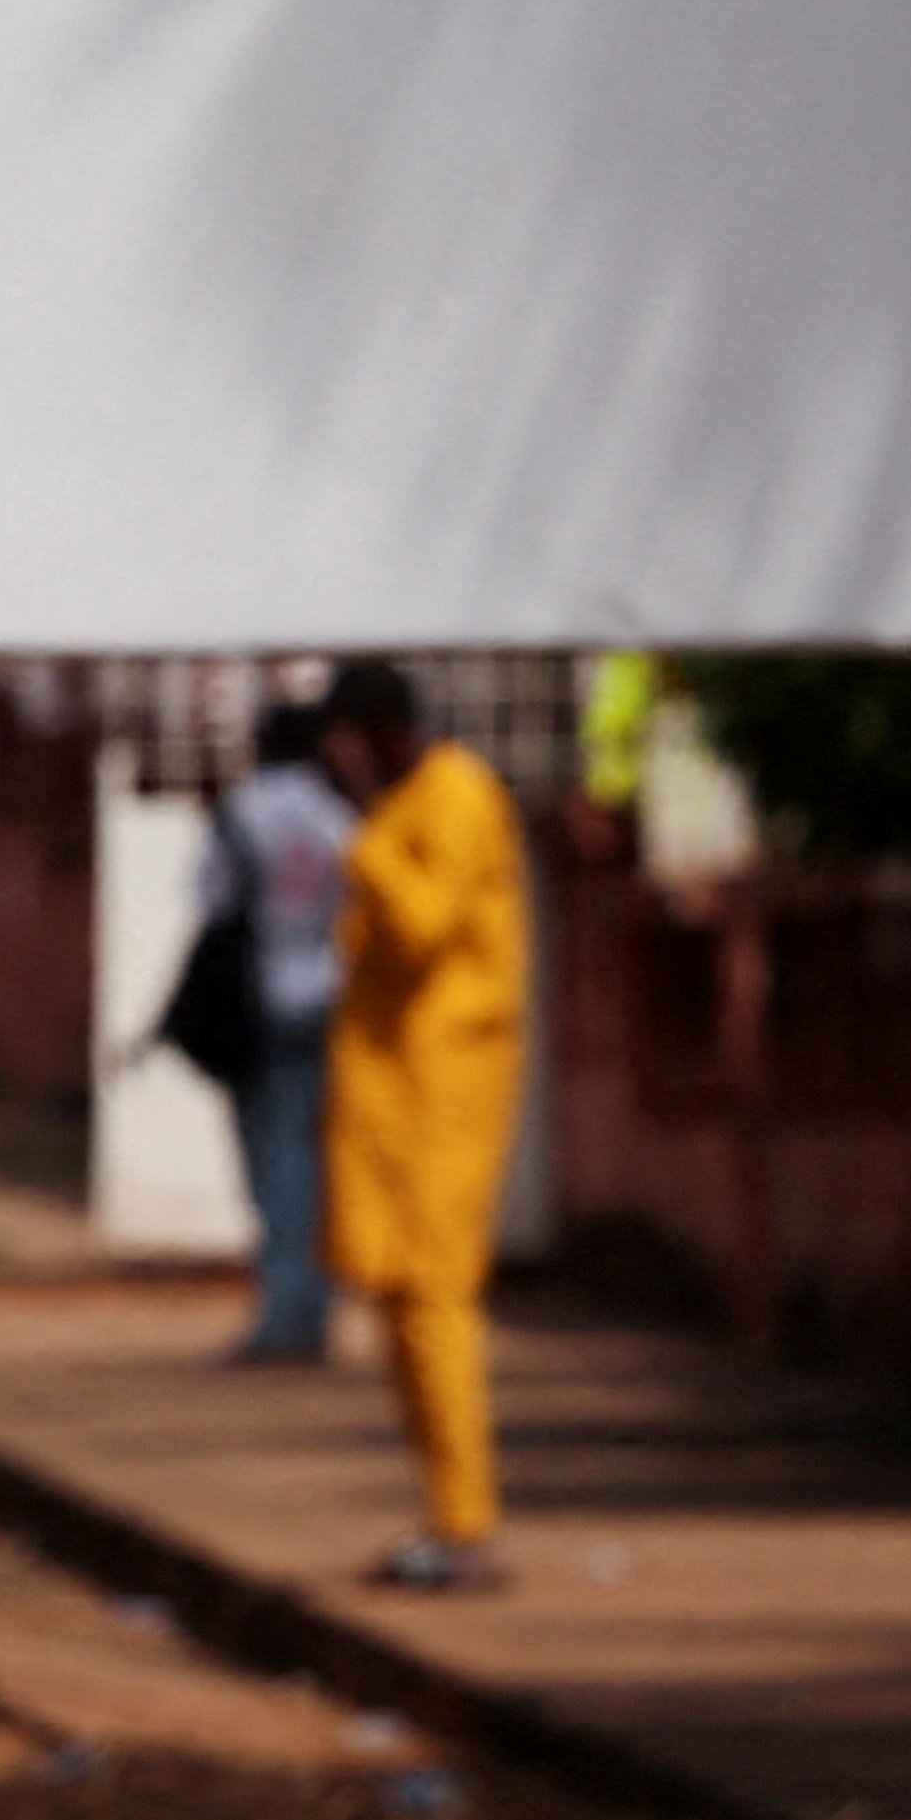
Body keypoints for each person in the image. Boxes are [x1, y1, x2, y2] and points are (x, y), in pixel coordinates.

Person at [314, 659, 529, 1590]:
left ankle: (467, 1520)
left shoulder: (455, 798)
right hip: (396, 1099)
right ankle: (444, 1515)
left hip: (446, 1094)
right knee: (400, 1299)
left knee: (436, 1296)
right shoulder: (406, 806)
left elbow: (425, 926)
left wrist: (361, 843)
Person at [202, 700, 356, 1364]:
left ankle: (287, 1308)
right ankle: (310, 1302)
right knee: (318, 1157)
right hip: (331, 994)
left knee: (275, 1159)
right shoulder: (338, 816)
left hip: (261, 999)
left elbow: (209, 901)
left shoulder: (242, 812)